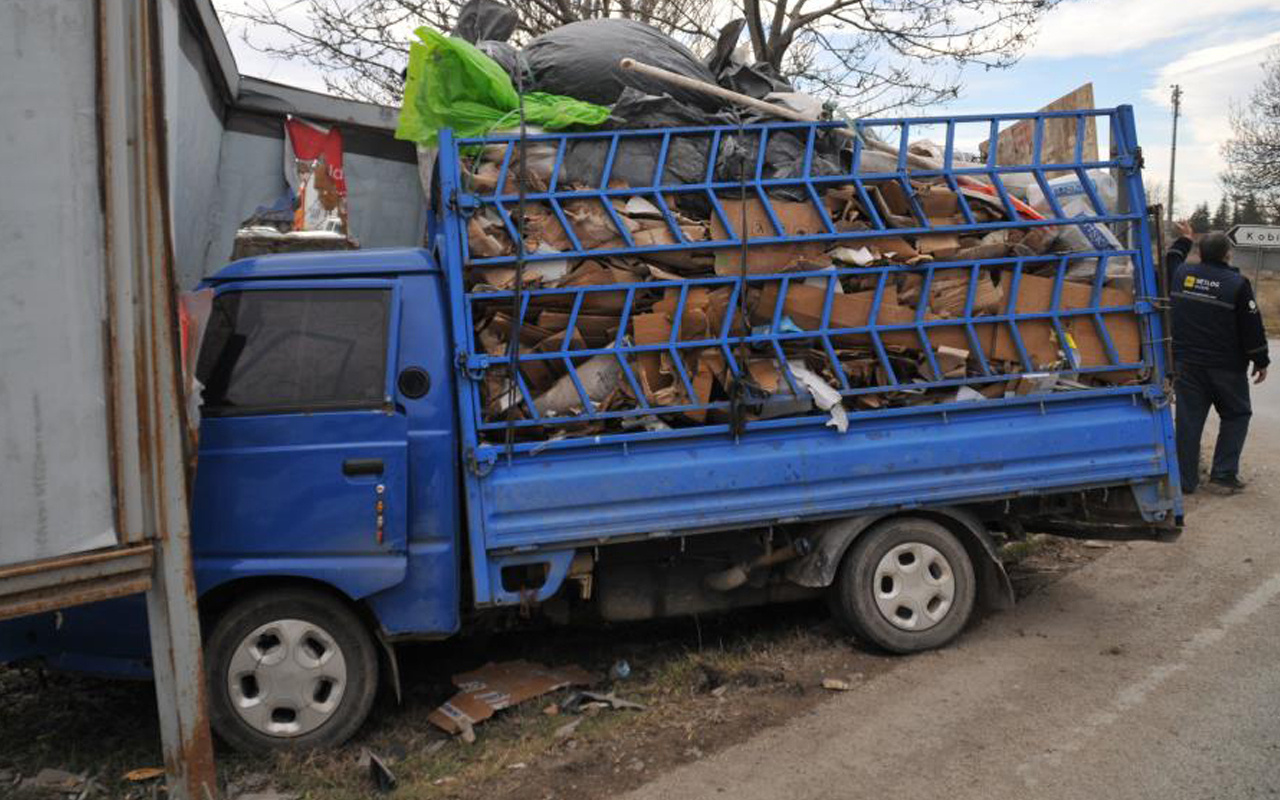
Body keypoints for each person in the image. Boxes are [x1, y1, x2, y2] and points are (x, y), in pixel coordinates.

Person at [1167, 220, 1269, 494]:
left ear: (1200, 254)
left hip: (1186, 365)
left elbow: (1171, 260)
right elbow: (1252, 327)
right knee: (1237, 414)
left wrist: (1184, 239)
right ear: (1227, 255)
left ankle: (1186, 482)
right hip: (1226, 368)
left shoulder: (1181, 275)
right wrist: (1261, 361)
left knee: (1188, 421)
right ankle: (1223, 475)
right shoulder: (1236, 284)